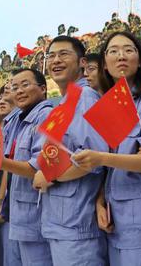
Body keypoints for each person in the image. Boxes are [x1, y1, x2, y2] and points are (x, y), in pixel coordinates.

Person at [73, 31, 141, 265]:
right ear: (105, 64)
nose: (121, 56)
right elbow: (111, 165)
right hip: (114, 218)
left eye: (129, 50)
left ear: (139, 60)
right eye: (113, 51)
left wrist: (100, 158)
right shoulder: (110, 104)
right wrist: (99, 200)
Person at [32, 36, 108, 265]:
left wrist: (49, 175)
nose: (56, 60)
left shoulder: (85, 97)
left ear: (82, 62)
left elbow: (93, 158)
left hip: (77, 225)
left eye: (64, 54)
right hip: (60, 222)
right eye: (51, 56)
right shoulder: (65, 102)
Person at [0, 68, 53, 265]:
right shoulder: (17, 120)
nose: (19, 91)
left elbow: (39, 167)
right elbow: (9, 163)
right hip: (17, 212)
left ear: (42, 88)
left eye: (25, 85)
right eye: (14, 87)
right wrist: (1, 199)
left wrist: (0, 162)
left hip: (36, 214)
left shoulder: (46, 115)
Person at [0, 81, 22, 266]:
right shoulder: (6, 126)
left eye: (7, 92)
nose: (2, 100)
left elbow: (8, 169)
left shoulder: (20, 124)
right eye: (1, 96)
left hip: (13, 203)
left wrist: (0, 201)